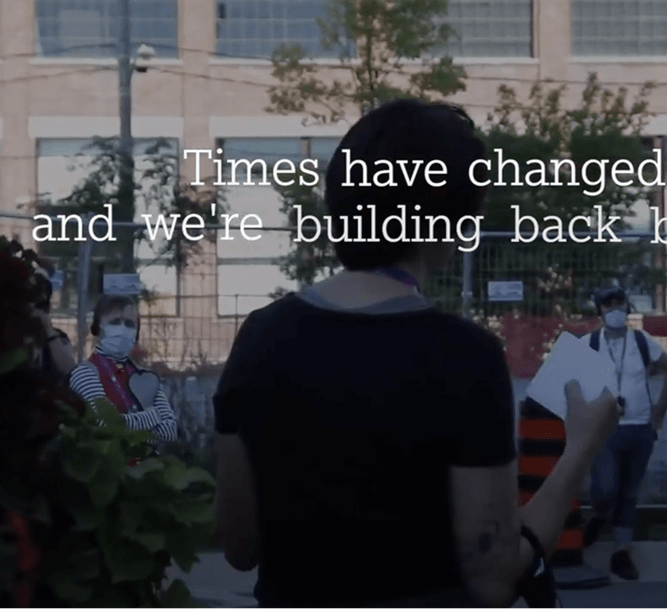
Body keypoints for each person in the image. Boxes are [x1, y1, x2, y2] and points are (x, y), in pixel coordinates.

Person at [212, 98, 622, 609]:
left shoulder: (260, 337)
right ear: (448, 219)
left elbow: (239, 546)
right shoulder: (463, 356)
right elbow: (493, 578)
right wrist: (580, 447)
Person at [581, 286, 667, 580]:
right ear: (599, 310)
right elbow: (570, 385)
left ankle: (622, 553)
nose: (615, 310)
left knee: (629, 492)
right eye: (608, 305)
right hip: (606, 430)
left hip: (640, 428)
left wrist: (659, 410)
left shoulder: (641, 340)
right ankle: (599, 515)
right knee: (606, 488)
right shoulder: (589, 343)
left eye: (619, 305)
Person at [68, 294, 177, 446]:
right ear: (98, 326)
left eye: (130, 324)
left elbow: (170, 431)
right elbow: (104, 425)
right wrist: (151, 417)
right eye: (115, 322)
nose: (123, 329)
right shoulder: (84, 373)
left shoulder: (145, 376)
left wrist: (124, 426)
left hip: (146, 466)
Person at [31, 267, 76, 383]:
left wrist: (48, 330)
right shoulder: (7, 334)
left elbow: (69, 369)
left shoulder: (56, 337)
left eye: (42, 304)